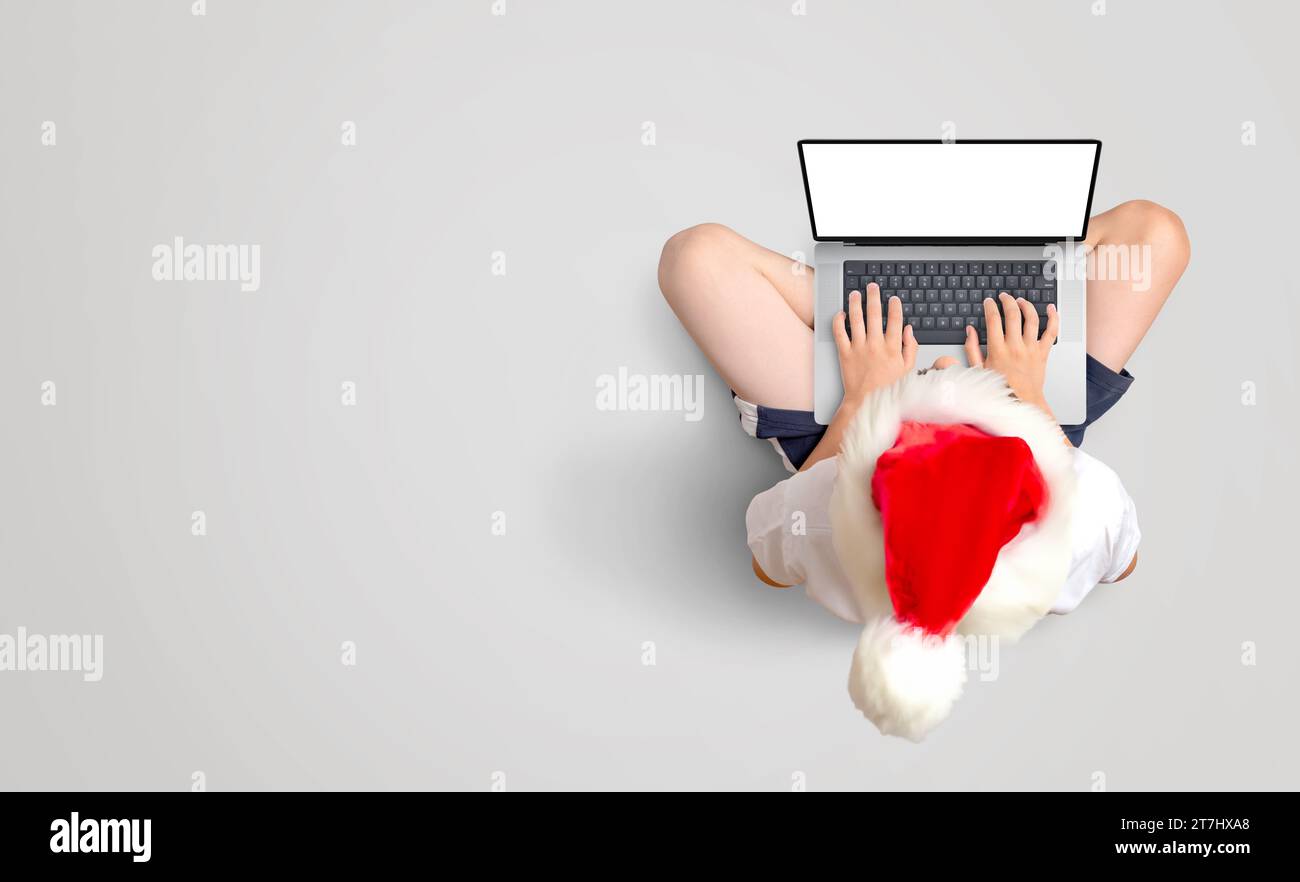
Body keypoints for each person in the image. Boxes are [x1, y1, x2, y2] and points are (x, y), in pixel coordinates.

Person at [657, 201, 1190, 622]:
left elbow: (766, 567)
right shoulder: (1082, 516)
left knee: (694, 258)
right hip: (1025, 406)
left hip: (849, 430)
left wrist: (868, 401)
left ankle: (881, 306)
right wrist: (1026, 396)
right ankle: (959, 295)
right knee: (1157, 235)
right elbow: (1125, 563)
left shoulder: (826, 520)